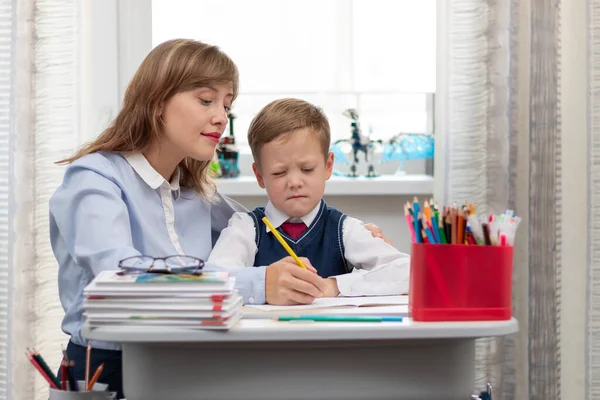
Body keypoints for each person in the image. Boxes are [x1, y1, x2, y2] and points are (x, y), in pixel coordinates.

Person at [49, 39, 389, 398]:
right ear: (157, 101)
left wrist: (350, 233)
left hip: (184, 367)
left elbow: (271, 227)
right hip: (108, 368)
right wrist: (259, 284)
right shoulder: (96, 179)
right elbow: (119, 278)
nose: (221, 117)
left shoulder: (197, 195)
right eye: (206, 100)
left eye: (227, 104)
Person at [208, 98, 410, 301]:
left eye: (307, 169)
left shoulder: (345, 229)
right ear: (260, 176)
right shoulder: (245, 228)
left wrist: (334, 285)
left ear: (328, 166)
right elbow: (212, 280)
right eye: (279, 172)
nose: (295, 182)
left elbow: (407, 271)